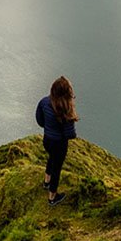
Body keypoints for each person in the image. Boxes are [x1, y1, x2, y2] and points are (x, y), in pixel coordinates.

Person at [36, 75, 78, 206]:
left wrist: (49, 128)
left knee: (51, 158)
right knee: (57, 169)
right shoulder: (66, 110)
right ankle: (52, 198)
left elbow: (39, 120)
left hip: (47, 140)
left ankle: (46, 182)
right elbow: (70, 134)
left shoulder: (44, 102)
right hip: (59, 144)